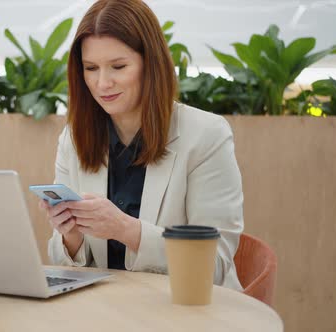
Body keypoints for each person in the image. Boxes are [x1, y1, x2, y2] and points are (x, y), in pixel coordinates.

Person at [39, 0, 244, 290]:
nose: (102, 83)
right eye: (91, 68)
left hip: (187, 311)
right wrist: (71, 236)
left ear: (151, 64)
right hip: (109, 312)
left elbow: (215, 265)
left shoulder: (206, 135)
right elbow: (63, 264)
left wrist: (126, 230)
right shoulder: (74, 138)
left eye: (118, 66)